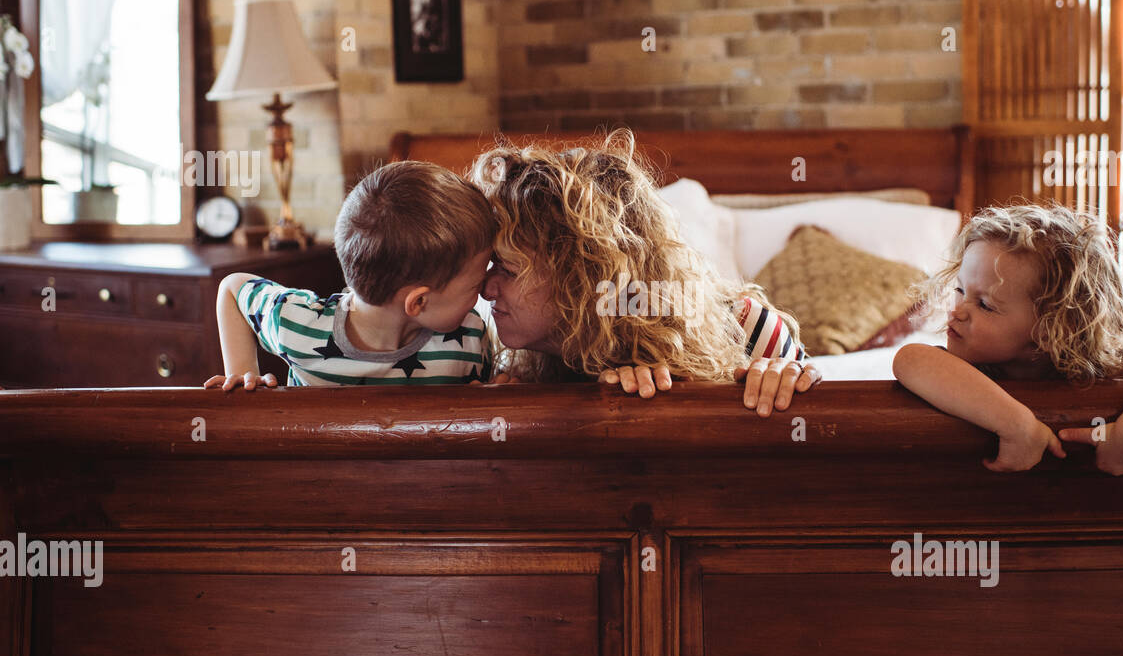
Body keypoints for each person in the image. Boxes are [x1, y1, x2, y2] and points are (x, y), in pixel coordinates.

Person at [470, 129, 822, 417]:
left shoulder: (746, 329)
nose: (486, 289)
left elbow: (820, 456)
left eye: (509, 268)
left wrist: (791, 381)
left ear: (582, 276)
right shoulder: (503, 362)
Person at [892, 203, 1123, 475]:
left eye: (984, 304)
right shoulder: (964, 370)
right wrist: (1017, 425)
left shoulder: (1098, 364)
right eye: (961, 291)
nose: (958, 312)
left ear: (1052, 329)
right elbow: (910, 359)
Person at [205, 160, 494, 389]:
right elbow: (233, 288)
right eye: (478, 281)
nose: (485, 291)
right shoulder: (298, 325)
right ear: (418, 302)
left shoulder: (472, 338)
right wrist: (243, 374)